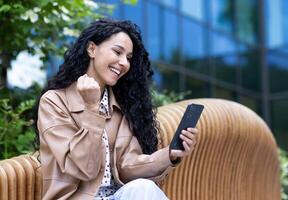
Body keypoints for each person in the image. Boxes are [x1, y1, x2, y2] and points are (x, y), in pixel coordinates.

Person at [34, 18, 198, 200]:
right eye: (117, 52)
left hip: (116, 196)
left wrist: (169, 155)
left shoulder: (120, 105)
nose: (124, 63)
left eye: (128, 58)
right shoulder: (54, 102)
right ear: (92, 49)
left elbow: (126, 167)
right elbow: (82, 169)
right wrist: (91, 109)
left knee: (143, 187)